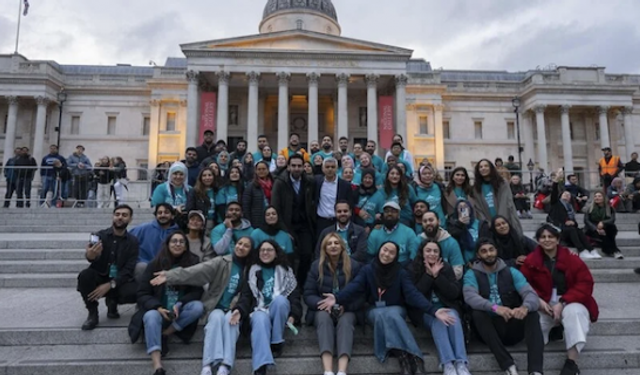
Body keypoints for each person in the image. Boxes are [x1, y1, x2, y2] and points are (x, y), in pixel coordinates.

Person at [319, 241, 453, 375]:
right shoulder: (368, 269)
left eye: (391, 252)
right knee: (382, 314)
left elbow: (413, 294)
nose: (387, 254)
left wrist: (433, 310)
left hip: (396, 308)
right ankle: (414, 357)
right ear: (379, 250)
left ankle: (404, 358)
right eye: (385, 250)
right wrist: (337, 298)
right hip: (374, 310)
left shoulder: (401, 272)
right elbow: (354, 287)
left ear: (395, 256)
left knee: (391, 314)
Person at [150, 236, 255, 375]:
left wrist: (239, 310)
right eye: (239, 243)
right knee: (216, 319)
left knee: (231, 322)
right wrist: (170, 275)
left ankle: (225, 365)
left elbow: (247, 295)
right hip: (215, 307)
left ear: (251, 250)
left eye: (246, 246)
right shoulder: (222, 262)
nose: (241, 247)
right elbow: (197, 271)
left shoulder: (250, 269)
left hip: (234, 308)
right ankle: (207, 364)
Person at [521, 224, 599, 375]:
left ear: (557, 239)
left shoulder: (572, 259)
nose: (547, 240)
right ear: (538, 240)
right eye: (543, 237)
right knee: (535, 328)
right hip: (543, 304)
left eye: (551, 237)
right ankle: (555, 330)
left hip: (569, 301)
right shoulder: (530, 261)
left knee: (575, 314)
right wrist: (537, 300)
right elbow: (524, 285)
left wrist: (563, 302)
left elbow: (585, 283)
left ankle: (571, 363)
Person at [463, 238, 544, 375]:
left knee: (533, 313)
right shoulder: (472, 274)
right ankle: (508, 365)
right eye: (484, 251)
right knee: (477, 313)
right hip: (489, 329)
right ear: (478, 255)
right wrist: (495, 308)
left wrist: (524, 307)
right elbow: (470, 297)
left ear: (496, 251)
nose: (488, 254)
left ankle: (535, 370)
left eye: (491, 250)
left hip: (511, 324)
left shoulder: (511, 271)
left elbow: (530, 293)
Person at [132, 231, 205, 375]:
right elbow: (142, 293)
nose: (177, 244)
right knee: (150, 317)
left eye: (181, 242)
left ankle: (165, 334)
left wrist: (180, 304)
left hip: (180, 310)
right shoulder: (155, 263)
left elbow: (197, 291)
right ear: (167, 244)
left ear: (186, 246)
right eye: (174, 241)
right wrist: (157, 307)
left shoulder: (193, 262)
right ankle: (157, 365)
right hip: (159, 309)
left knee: (198, 307)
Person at [231, 240, 302, 375]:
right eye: (262, 250)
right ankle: (261, 366)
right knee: (259, 318)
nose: (265, 252)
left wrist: (294, 316)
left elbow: (295, 297)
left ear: (276, 253)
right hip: (259, 309)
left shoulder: (286, 271)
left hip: (279, 311)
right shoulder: (252, 271)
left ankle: (276, 342)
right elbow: (245, 297)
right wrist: (239, 310)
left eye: (269, 250)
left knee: (280, 300)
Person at [408, 240, 471, 375]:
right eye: (428, 251)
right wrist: (429, 276)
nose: (432, 254)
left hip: (447, 308)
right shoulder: (413, 268)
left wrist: (438, 276)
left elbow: (454, 293)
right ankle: (447, 363)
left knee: (453, 317)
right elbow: (414, 296)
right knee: (439, 320)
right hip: (425, 312)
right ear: (422, 253)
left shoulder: (446, 267)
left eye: (435, 251)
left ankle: (461, 363)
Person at [304, 233, 363, 375]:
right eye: (329, 243)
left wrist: (345, 306)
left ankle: (342, 371)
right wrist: (324, 304)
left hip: (347, 308)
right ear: (324, 248)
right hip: (323, 309)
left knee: (346, 320)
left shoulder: (354, 266)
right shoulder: (316, 266)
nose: (333, 246)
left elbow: (361, 294)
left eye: (336, 243)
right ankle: (328, 370)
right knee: (323, 319)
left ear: (342, 247)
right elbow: (308, 294)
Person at [76, 205, 138, 330]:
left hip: (118, 280)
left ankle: (112, 302)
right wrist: (91, 255)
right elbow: (91, 256)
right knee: (85, 276)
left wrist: (111, 284)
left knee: (137, 290)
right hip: (100, 275)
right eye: (117, 214)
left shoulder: (133, 241)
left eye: (124, 215)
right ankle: (92, 313)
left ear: (130, 219)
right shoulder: (100, 236)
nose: (120, 217)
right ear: (113, 217)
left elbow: (129, 268)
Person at [271, 154, 316, 286]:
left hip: (304, 224)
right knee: (288, 256)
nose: (297, 168)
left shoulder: (309, 182)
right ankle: (287, 284)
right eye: (294, 166)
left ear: (303, 167)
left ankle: (301, 283)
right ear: (289, 167)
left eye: (299, 166)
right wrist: (284, 229)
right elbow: (275, 207)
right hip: (287, 224)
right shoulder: (280, 182)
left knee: (307, 254)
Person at [547, 170, 600, 259]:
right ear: (560, 196)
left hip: (568, 230)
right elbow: (554, 193)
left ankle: (591, 250)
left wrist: (572, 223)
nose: (567, 196)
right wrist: (556, 181)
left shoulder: (571, 208)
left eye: (568, 195)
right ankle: (581, 250)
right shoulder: (556, 204)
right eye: (565, 194)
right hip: (558, 229)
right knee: (572, 230)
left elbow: (575, 223)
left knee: (577, 230)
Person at [473, 159, 523, 235]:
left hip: (504, 222)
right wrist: (487, 223)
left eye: (486, 166)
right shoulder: (476, 188)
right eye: (481, 167)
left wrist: (499, 223)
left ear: (491, 168)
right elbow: (478, 208)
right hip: (488, 224)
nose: (483, 168)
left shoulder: (502, 183)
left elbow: (505, 202)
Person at [130, 203, 180, 280]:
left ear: (172, 216)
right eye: (159, 213)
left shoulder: (177, 232)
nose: (163, 215)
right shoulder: (143, 228)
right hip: (145, 263)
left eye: (166, 212)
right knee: (140, 267)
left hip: (169, 265)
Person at [367, 202, 420, 266]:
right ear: (383, 215)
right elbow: (370, 255)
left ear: (399, 215)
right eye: (386, 211)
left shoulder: (408, 232)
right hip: (381, 267)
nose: (389, 213)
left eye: (393, 211)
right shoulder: (375, 232)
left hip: (402, 267)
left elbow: (414, 255)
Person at [314, 157, 355, 235]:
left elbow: (350, 205)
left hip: (338, 221)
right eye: (327, 167)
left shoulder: (345, 185)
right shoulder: (316, 182)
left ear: (337, 169)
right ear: (323, 169)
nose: (330, 169)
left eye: (332, 167)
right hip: (321, 222)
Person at [419, 211, 465, 279]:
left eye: (431, 220)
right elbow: (414, 268)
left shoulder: (451, 242)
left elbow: (458, 271)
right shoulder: (417, 240)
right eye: (425, 221)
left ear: (439, 221)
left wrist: (437, 276)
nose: (428, 223)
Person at [446, 200, 488, 266]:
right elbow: (453, 235)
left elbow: (486, 242)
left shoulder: (481, 224)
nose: (463, 209)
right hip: (463, 261)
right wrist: (460, 224)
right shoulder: (452, 225)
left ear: (470, 209)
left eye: (465, 207)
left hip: (481, 260)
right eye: (460, 207)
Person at [584, 191, 623, 259]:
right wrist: (596, 228)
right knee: (603, 234)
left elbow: (612, 219)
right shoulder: (589, 208)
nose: (597, 198)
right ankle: (614, 251)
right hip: (591, 228)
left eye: (599, 196)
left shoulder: (610, 208)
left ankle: (610, 250)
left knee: (611, 228)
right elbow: (586, 221)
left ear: (603, 198)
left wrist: (603, 223)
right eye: (595, 196)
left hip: (605, 226)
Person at [243, 161, 273, 228]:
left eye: (264, 169)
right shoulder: (250, 186)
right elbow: (246, 206)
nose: (261, 171)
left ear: (268, 170)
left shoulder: (274, 184)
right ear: (255, 171)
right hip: (257, 221)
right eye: (259, 169)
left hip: (272, 218)